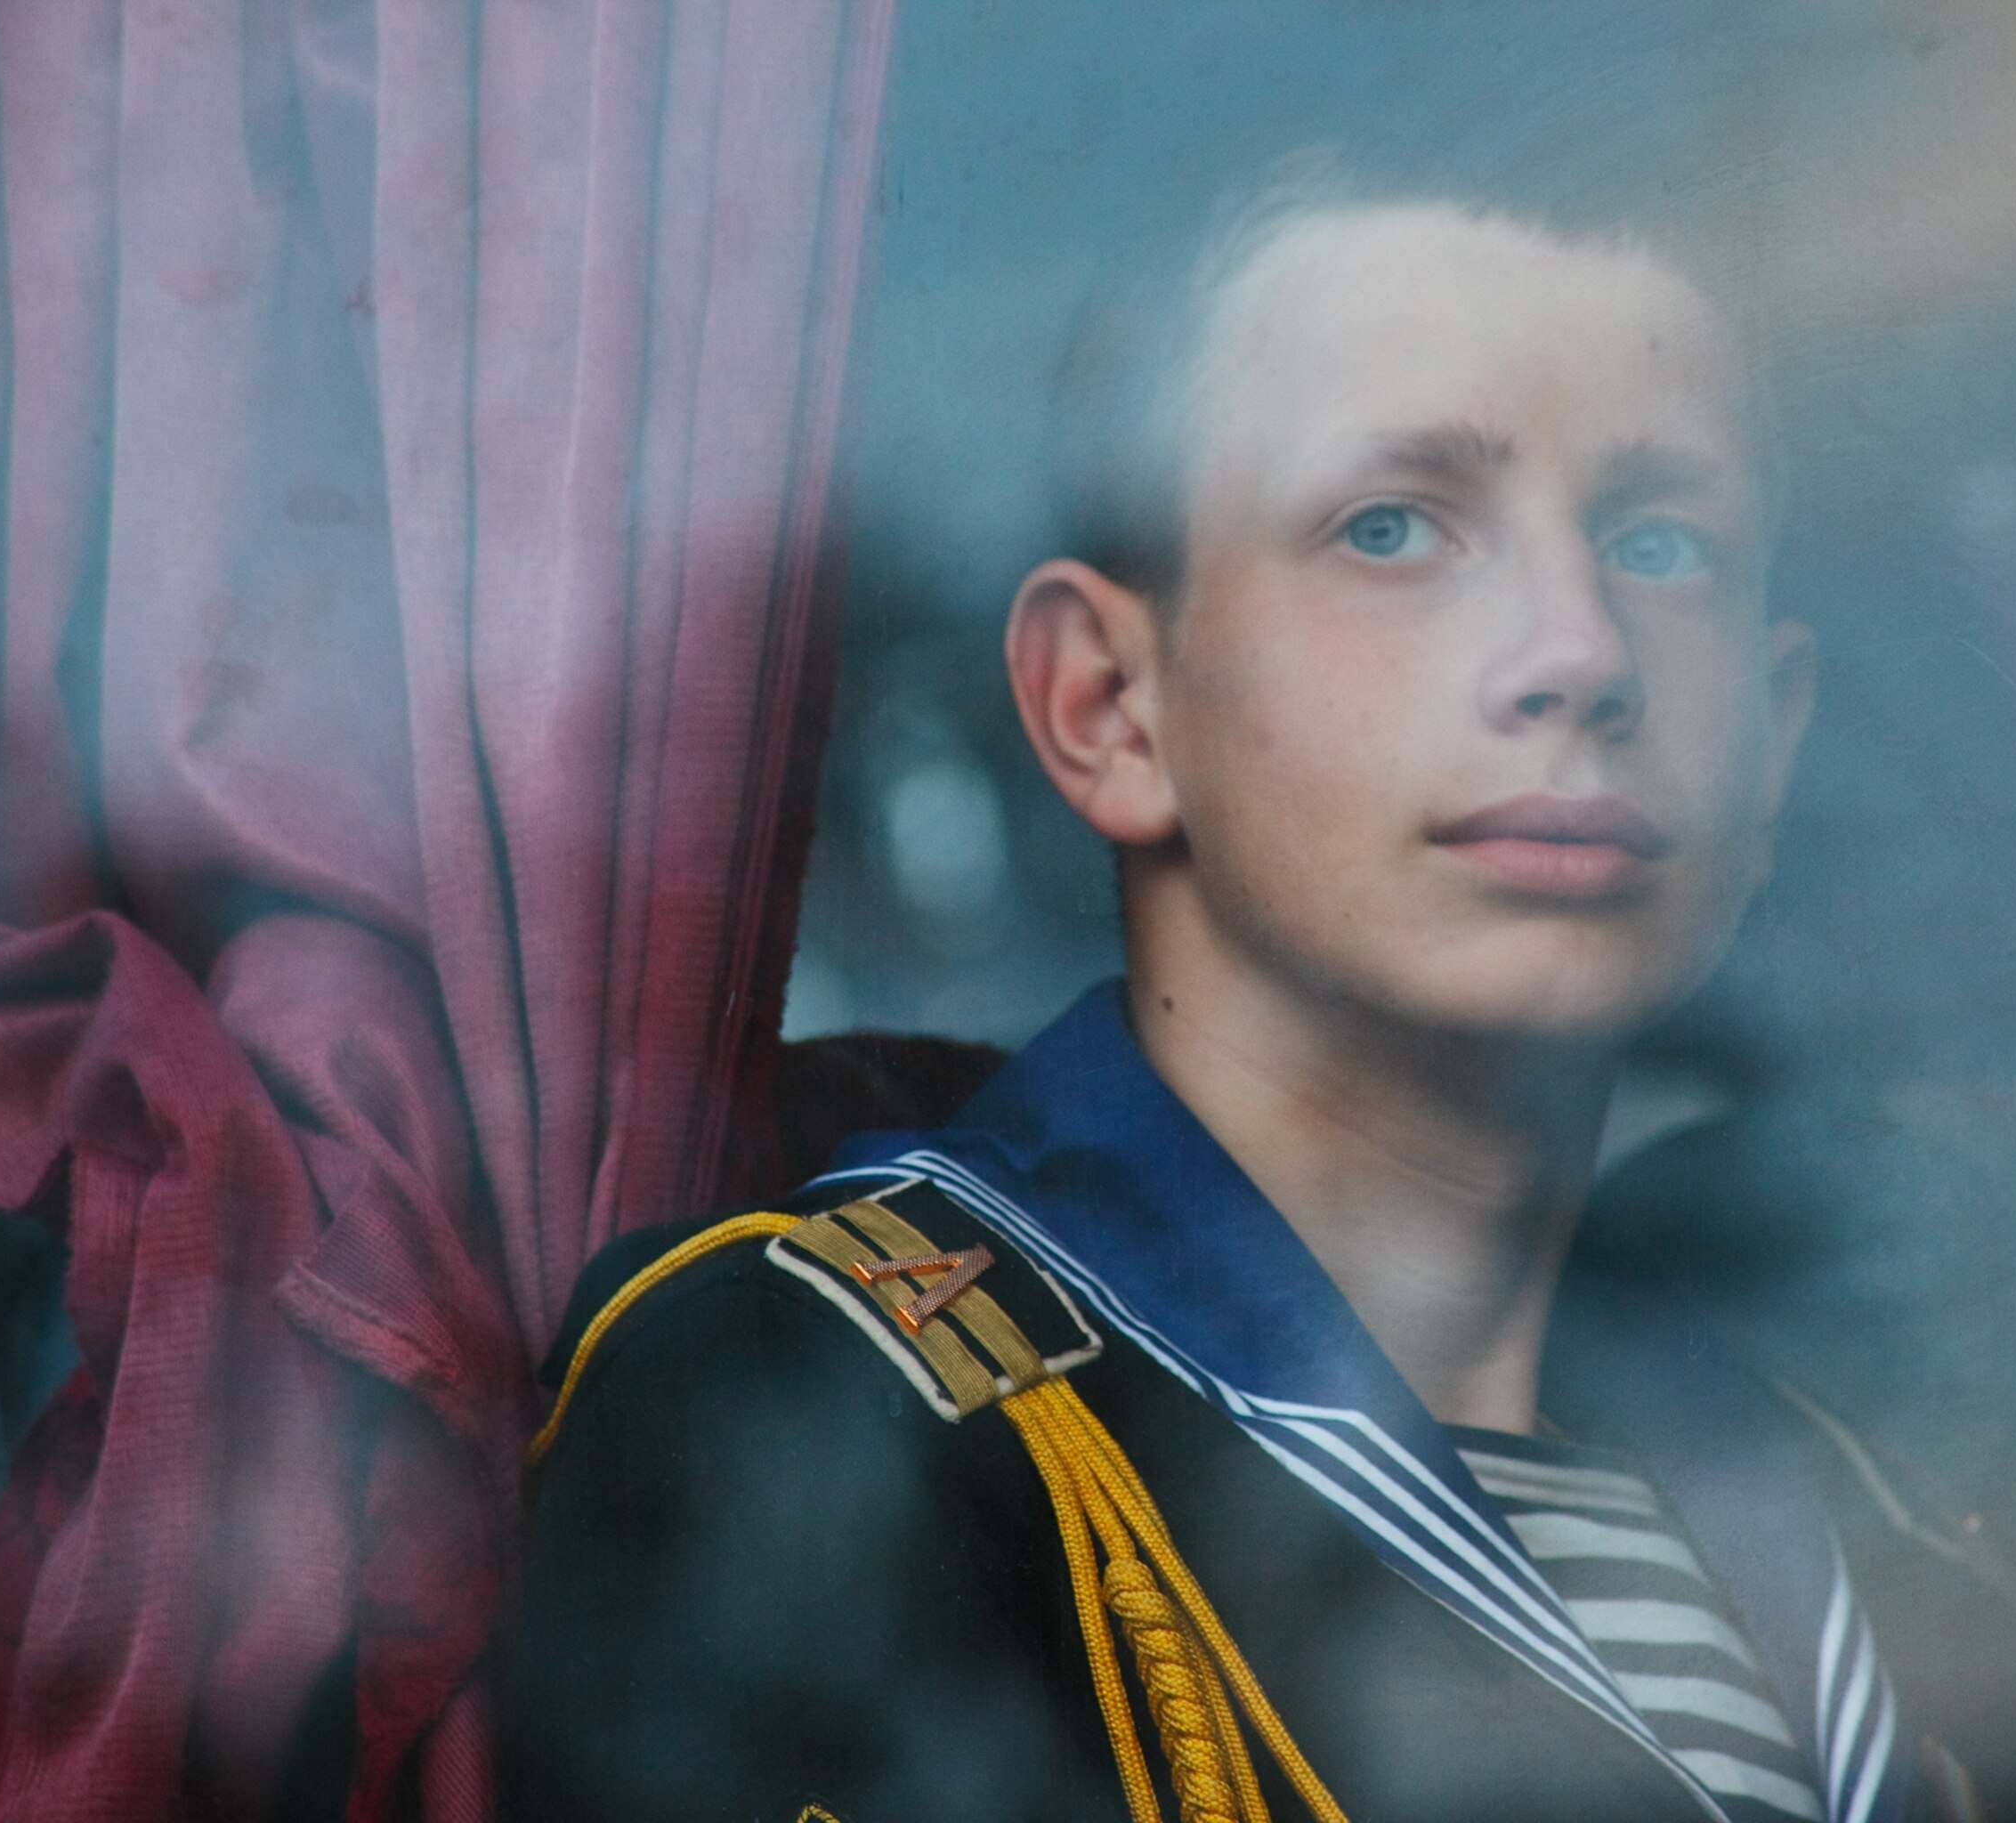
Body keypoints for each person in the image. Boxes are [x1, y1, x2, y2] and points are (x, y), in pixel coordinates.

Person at [504, 166, 1915, 1823]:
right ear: (1110, 704)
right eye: (1392, 526)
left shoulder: (1850, 1434)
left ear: (1778, 734)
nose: (1581, 649)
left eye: (1662, 543)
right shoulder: (827, 1408)